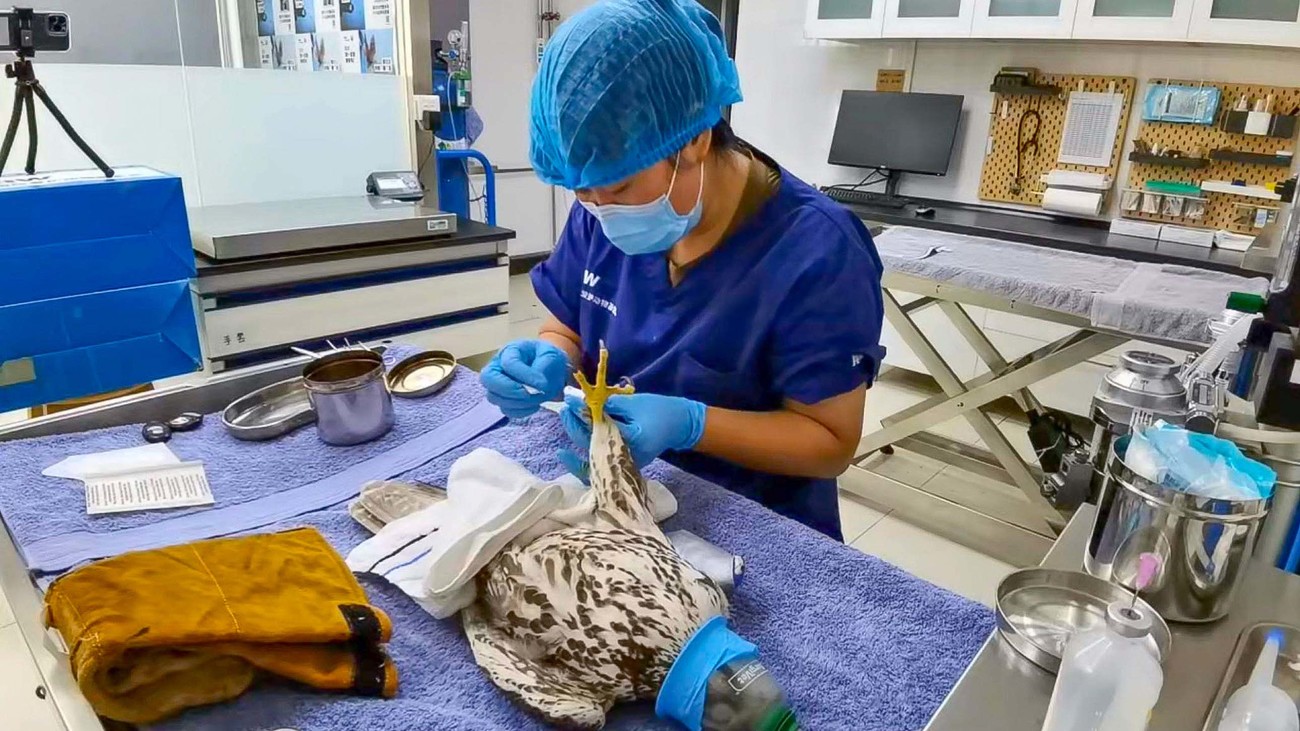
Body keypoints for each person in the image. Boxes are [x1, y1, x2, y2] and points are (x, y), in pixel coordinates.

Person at [480, 0, 885, 541]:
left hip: (757, 531)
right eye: (582, 190)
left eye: (620, 186)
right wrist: (549, 354)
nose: (600, 209)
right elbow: (568, 324)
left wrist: (691, 424)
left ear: (693, 139)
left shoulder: (817, 251)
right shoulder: (599, 211)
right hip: (620, 504)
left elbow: (829, 443)